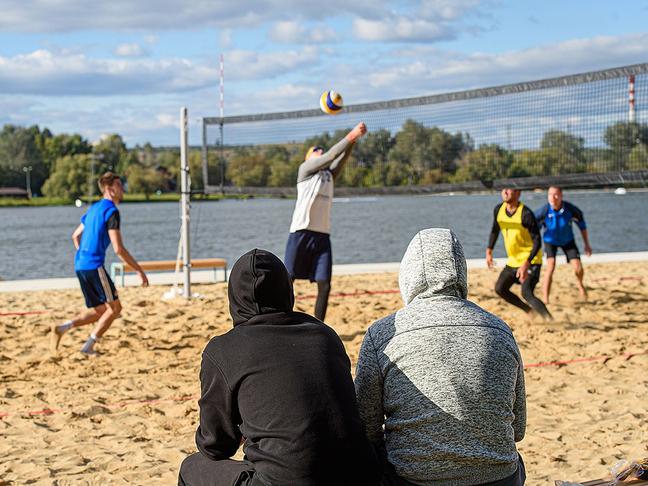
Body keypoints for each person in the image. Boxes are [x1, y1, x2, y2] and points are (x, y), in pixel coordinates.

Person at [178, 249, 380, 486]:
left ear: (234, 296)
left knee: (192, 467)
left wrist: (243, 424)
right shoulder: (325, 335)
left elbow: (214, 446)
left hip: (287, 480)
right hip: (361, 476)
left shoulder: (223, 349)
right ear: (287, 289)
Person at [355, 228, 527, 486]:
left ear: (408, 274)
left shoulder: (381, 335)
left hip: (414, 479)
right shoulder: (500, 330)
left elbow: (365, 428)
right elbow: (518, 429)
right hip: (498, 478)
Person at [50, 172, 148, 355]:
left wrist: (84, 253)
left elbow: (75, 236)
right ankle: (88, 347)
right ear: (110, 189)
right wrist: (139, 271)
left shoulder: (93, 209)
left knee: (101, 311)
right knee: (116, 309)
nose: (123, 188)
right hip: (94, 265)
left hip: (80, 264)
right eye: (119, 185)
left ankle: (62, 328)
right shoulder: (111, 211)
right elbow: (119, 249)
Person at [285, 122, 367, 321]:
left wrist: (354, 141)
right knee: (288, 280)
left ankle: (319, 324)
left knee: (325, 284)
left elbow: (341, 157)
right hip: (300, 232)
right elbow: (331, 155)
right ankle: (284, 321)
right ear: (310, 158)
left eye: (320, 149)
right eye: (315, 150)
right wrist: (351, 134)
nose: (319, 150)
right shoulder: (305, 170)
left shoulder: (329, 175)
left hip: (322, 235)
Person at [486, 188, 551, 320]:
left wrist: (526, 264)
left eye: (508, 190)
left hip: (531, 260)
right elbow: (495, 229)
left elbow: (538, 241)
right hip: (513, 261)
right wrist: (489, 251)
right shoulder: (498, 209)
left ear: (517, 193)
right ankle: (529, 311)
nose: (505, 192)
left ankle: (549, 319)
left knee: (526, 293)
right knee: (500, 288)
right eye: (503, 189)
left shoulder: (526, 214)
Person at [535, 186, 592, 304]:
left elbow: (582, 226)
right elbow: (533, 230)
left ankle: (580, 284)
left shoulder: (571, 210)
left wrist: (587, 244)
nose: (553, 198)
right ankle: (545, 298)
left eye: (556, 195)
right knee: (550, 267)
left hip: (567, 241)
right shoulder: (543, 211)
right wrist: (534, 248)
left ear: (561, 196)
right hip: (550, 241)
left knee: (578, 267)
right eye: (550, 195)